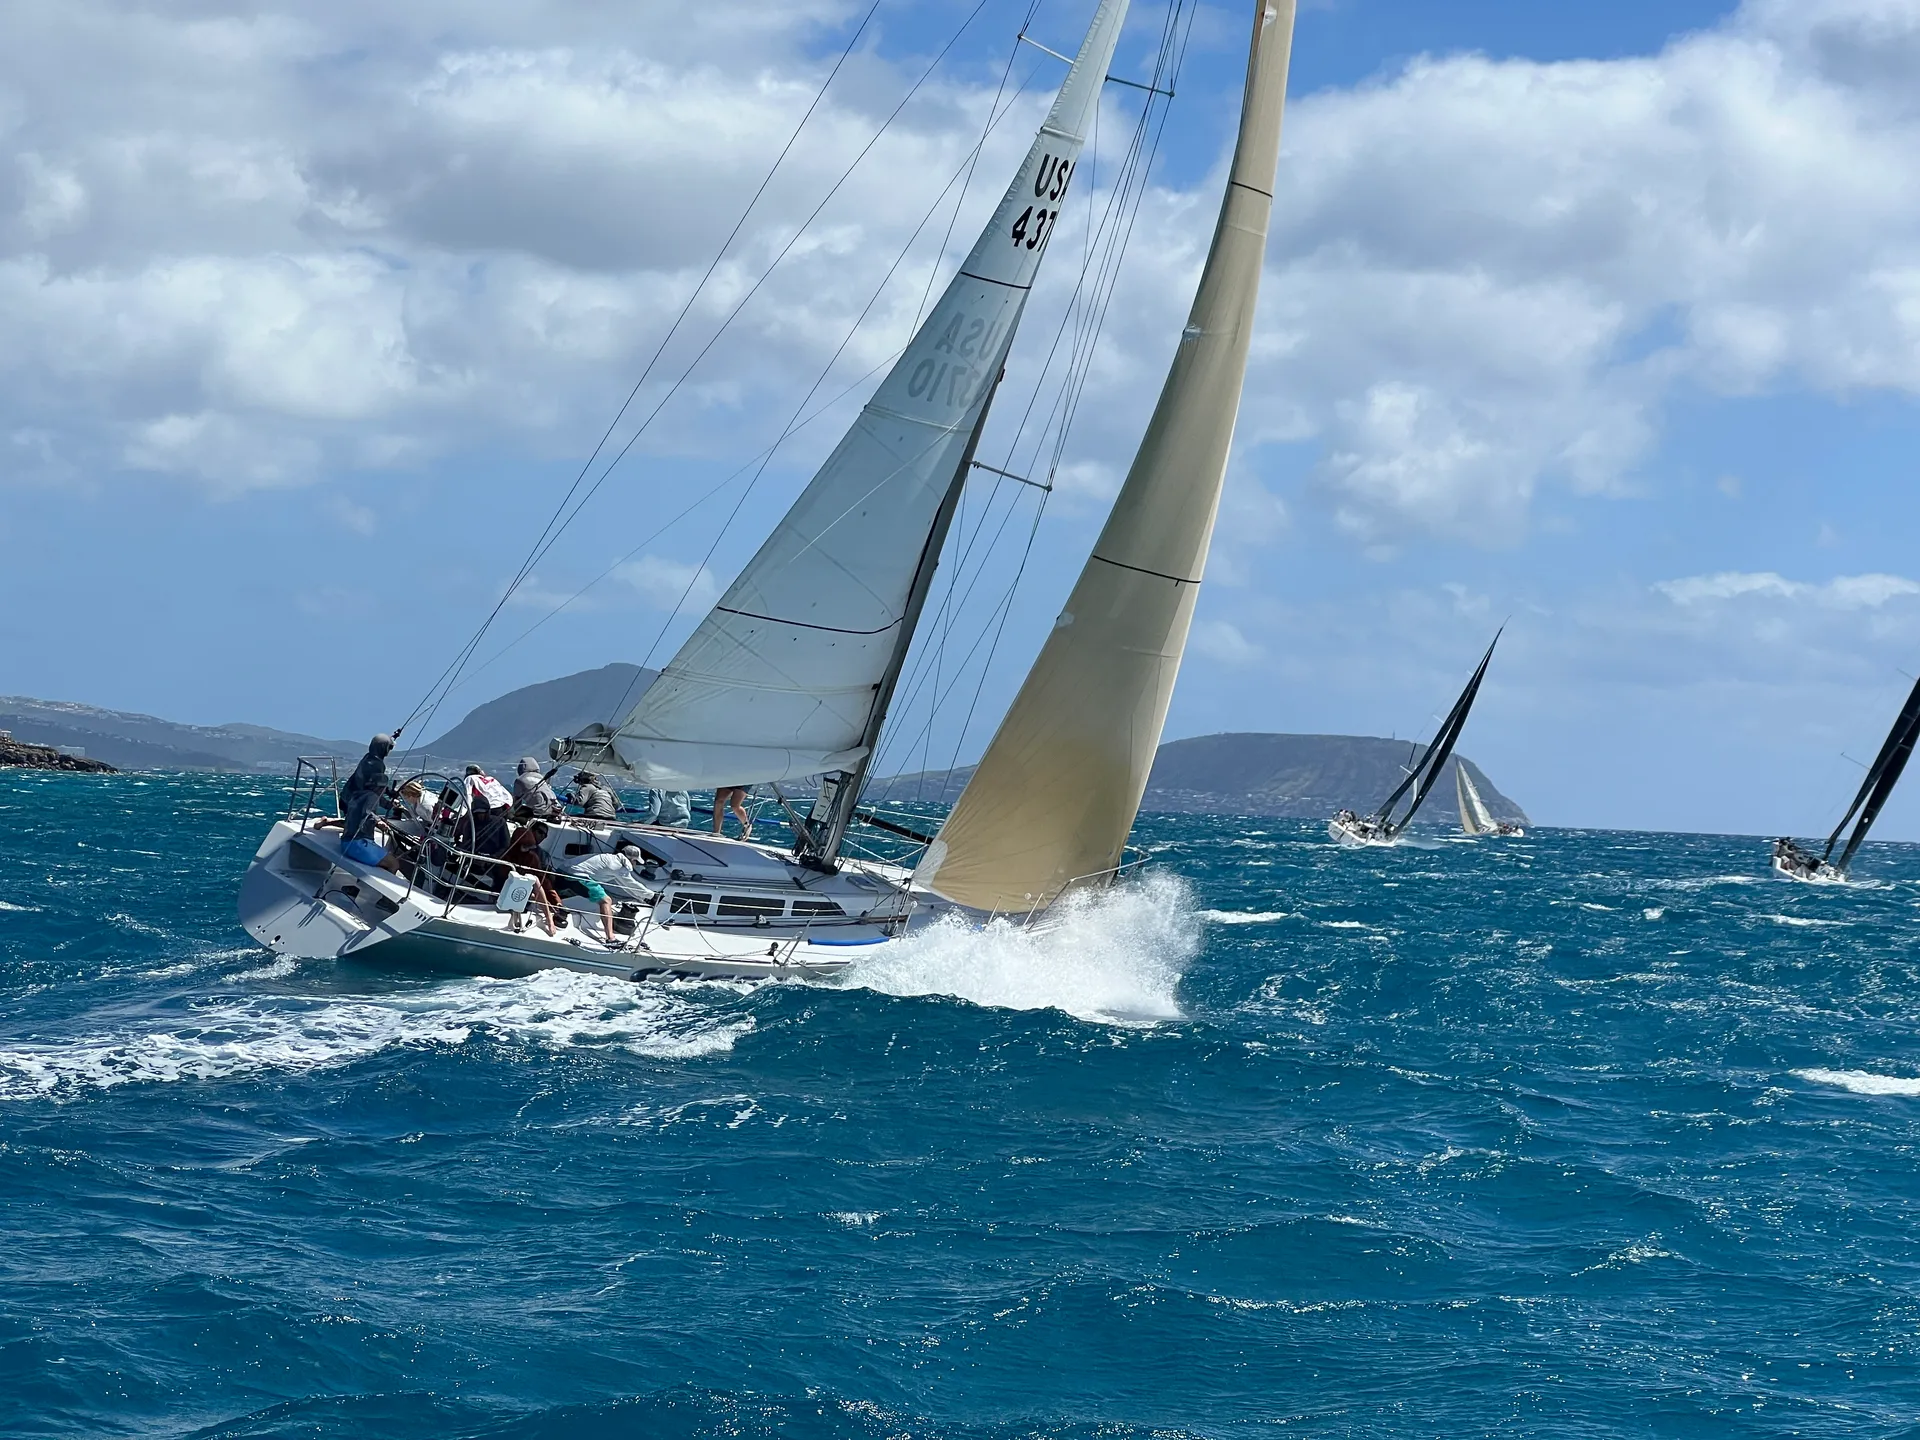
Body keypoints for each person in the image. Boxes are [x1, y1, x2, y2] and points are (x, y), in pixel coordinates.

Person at [559, 842, 648, 946]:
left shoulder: (611, 858)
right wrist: (651, 895)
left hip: (563, 870)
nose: (635, 864)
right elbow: (631, 883)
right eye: (635, 861)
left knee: (606, 897)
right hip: (574, 875)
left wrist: (642, 897)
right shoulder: (619, 866)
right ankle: (611, 939)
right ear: (631, 860)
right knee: (606, 901)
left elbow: (625, 885)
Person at [338, 733, 395, 865]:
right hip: (358, 838)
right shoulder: (377, 765)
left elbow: (374, 785)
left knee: (351, 820)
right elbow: (370, 807)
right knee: (392, 863)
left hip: (351, 796)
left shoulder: (368, 758)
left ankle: (327, 822)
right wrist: (387, 807)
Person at [498, 820, 560, 936]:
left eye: (529, 847)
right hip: (504, 890)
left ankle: (549, 920)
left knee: (536, 881)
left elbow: (543, 881)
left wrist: (556, 901)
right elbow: (500, 876)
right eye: (524, 846)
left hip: (525, 891)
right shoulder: (505, 855)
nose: (527, 849)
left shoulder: (534, 857)